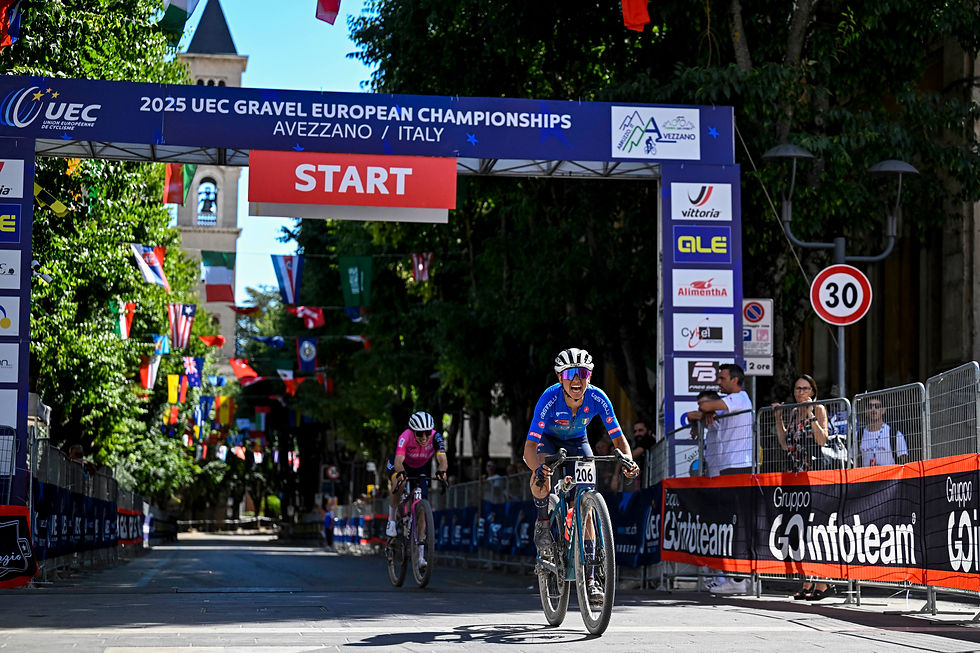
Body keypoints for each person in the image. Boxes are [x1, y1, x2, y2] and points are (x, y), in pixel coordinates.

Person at [523, 347, 639, 603]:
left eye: (583, 373)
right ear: (560, 378)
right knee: (542, 477)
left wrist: (628, 460)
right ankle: (544, 521)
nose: (577, 379)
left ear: (590, 376)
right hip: (548, 442)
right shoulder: (549, 399)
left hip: (578, 441)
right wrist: (538, 469)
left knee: (585, 500)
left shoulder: (598, 397)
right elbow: (530, 448)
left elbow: (618, 438)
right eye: (570, 374)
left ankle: (591, 577)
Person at [685, 363, 753, 595]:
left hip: (738, 467)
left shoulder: (740, 398)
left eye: (722, 378)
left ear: (735, 380)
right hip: (728, 469)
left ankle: (739, 578)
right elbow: (694, 413)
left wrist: (707, 409)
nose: (719, 382)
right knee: (728, 524)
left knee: (736, 524)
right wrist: (706, 413)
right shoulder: (729, 404)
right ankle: (733, 576)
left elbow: (704, 405)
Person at [772, 374, 833, 601]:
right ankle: (807, 579)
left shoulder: (818, 409)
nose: (801, 393)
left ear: (813, 391)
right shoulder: (793, 411)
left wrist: (810, 415)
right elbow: (785, 443)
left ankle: (823, 582)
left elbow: (822, 440)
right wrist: (779, 418)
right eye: (797, 389)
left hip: (816, 477)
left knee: (816, 530)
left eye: (805, 388)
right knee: (800, 531)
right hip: (797, 478)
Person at [385, 410, 449, 570]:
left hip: (420, 467)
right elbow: (399, 461)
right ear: (413, 432)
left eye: (427, 433)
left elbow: (442, 459)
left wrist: (442, 471)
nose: (425, 437)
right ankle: (391, 521)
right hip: (401, 465)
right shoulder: (405, 437)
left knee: (422, 510)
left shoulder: (436, 437)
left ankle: (420, 556)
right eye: (420, 434)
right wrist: (400, 474)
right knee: (398, 480)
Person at [858, 397, 909, 466]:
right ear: (866, 410)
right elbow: (853, 460)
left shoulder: (894, 433)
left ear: (883, 410)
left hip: (890, 476)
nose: (873, 409)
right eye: (870, 406)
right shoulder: (859, 435)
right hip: (867, 475)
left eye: (877, 406)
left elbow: (904, 461)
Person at [689, 390, 720, 476]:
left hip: (723, 472)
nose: (701, 407)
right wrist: (694, 426)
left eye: (704, 404)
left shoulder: (723, 416)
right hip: (711, 473)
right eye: (699, 404)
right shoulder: (708, 418)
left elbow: (693, 415)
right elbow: (690, 416)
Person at [629, 420, 656, 487]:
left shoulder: (649, 439)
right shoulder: (638, 443)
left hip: (652, 481)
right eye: (635, 431)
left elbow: (632, 455)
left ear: (649, 431)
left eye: (640, 430)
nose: (637, 434)